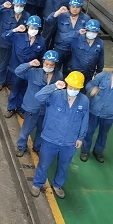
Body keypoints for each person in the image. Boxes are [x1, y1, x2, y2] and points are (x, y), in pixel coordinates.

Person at [30, 71, 89, 199]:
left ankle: (57, 185)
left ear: (80, 88)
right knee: (44, 163)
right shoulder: (55, 95)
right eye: (71, 87)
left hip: (69, 142)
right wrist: (54, 86)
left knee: (64, 165)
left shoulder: (84, 101)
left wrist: (80, 137)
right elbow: (38, 96)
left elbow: (85, 119)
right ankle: (37, 184)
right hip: (50, 138)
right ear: (67, 84)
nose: (73, 90)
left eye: (76, 88)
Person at [80, 56, 113, 163]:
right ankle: (85, 151)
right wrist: (92, 89)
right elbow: (90, 84)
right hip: (94, 110)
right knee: (89, 131)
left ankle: (98, 152)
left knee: (103, 134)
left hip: (109, 114)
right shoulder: (102, 76)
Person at [14, 50, 63, 157]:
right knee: (26, 129)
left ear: (55, 65)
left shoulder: (58, 76)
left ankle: (37, 147)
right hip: (33, 107)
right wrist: (29, 64)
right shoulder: (33, 72)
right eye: (47, 64)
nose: (48, 66)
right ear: (43, 61)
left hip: (47, 108)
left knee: (42, 129)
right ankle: (21, 146)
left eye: (51, 65)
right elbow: (17, 71)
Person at [4, 15, 46, 118]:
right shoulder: (18, 37)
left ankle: (20, 108)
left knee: (24, 90)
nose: (34, 30)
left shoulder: (41, 41)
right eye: (32, 27)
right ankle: (11, 108)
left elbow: (42, 57)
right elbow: (4, 36)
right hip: (16, 69)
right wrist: (15, 30)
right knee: (14, 89)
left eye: (36, 28)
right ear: (27, 27)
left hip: (30, 71)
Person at [46, 0, 89, 70]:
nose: (75, 9)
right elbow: (49, 21)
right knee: (55, 69)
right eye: (73, 7)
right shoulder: (62, 15)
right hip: (60, 48)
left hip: (75, 49)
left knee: (70, 70)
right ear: (69, 6)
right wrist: (58, 12)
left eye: (77, 7)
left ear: (81, 8)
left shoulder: (85, 19)